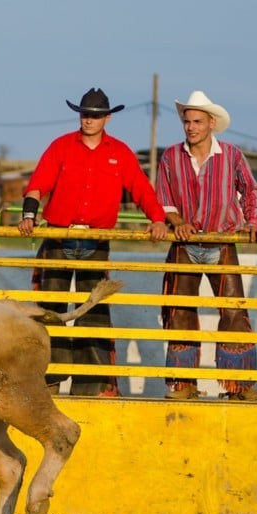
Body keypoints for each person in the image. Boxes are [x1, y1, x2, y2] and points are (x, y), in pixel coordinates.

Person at [18, 88, 169, 397]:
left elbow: (141, 189)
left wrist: (156, 218)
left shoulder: (121, 153)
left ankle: (91, 385)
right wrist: (29, 215)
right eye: (86, 114)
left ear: (107, 118)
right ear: (80, 116)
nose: (90, 119)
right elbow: (38, 184)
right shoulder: (60, 147)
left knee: (93, 312)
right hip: (59, 235)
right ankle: (48, 380)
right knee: (51, 310)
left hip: (97, 239)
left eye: (96, 115)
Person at [155, 91, 257, 401]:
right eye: (187, 121)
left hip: (222, 240)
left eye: (197, 121)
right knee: (180, 312)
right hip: (185, 242)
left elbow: (251, 192)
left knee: (233, 311)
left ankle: (239, 385)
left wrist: (253, 222)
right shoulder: (170, 157)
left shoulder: (231, 155)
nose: (191, 127)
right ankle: (184, 384)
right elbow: (163, 201)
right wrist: (178, 222)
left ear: (211, 124)